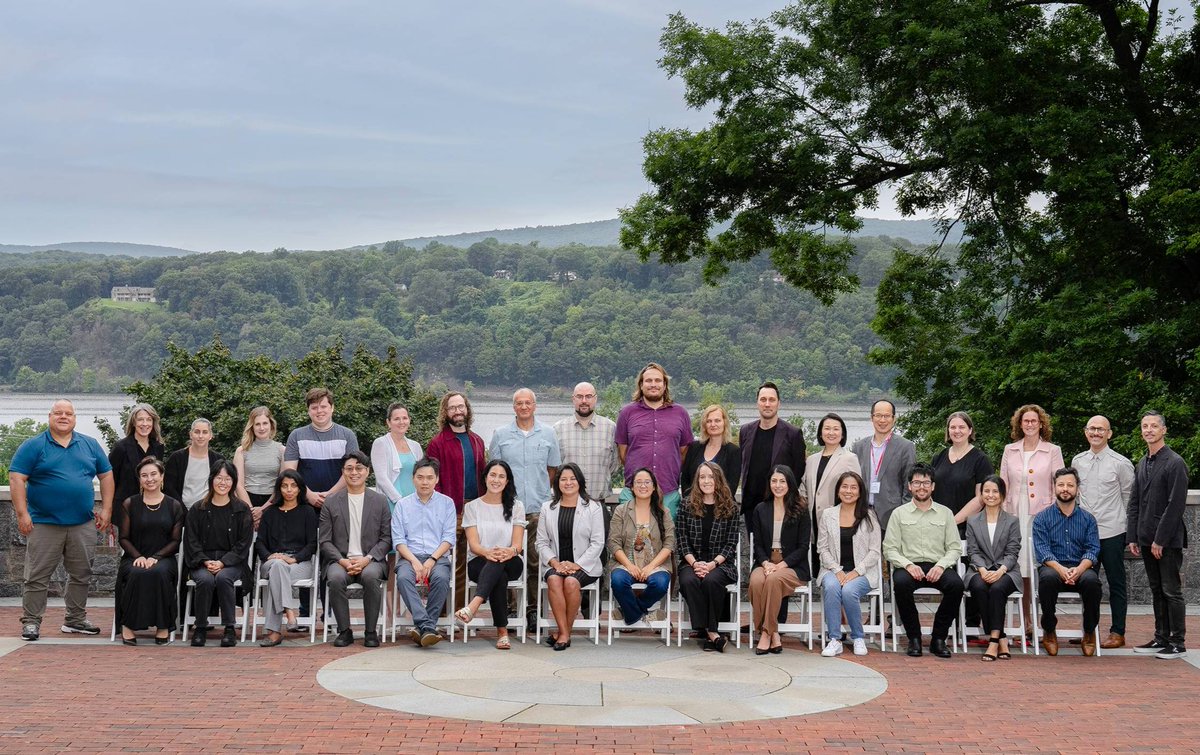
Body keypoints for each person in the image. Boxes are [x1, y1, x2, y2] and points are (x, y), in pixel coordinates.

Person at [11, 399, 114, 642]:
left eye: (69, 413)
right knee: (37, 575)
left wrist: (107, 509)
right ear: (50, 416)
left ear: (75, 418)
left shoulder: (89, 444)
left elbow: (107, 474)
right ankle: (31, 622)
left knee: (81, 573)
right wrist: (22, 514)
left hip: (82, 523)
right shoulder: (34, 446)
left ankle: (75, 620)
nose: (64, 417)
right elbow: (16, 478)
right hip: (44, 523)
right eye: (59, 413)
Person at [488, 388, 561, 631]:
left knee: (535, 563)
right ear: (514, 407)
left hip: (538, 510)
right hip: (507, 510)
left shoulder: (549, 434)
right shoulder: (500, 435)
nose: (523, 407)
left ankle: (533, 611)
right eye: (519, 403)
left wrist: (541, 492)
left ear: (535, 406)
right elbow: (495, 471)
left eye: (528, 402)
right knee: (505, 559)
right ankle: (507, 610)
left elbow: (552, 471)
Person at [882, 463, 963, 658]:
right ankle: (914, 638)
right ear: (909, 486)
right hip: (909, 566)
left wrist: (941, 565)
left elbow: (954, 547)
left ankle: (938, 638)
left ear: (933, 486)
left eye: (926, 482)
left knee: (957, 585)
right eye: (916, 482)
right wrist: (908, 565)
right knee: (900, 583)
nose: (921, 487)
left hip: (938, 565)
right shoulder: (898, 514)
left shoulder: (946, 513)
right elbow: (889, 548)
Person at [1127, 411, 1189, 660]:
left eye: (1154, 426)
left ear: (1164, 430)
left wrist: (1160, 540)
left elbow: (1175, 505)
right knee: (1156, 589)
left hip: (1167, 540)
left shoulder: (1175, 463)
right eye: (1145, 426)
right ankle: (1161, 637)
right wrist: (1133, 536)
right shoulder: (1143, 463)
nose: (1149, 430)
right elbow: (1135, 502)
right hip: (1145, 538)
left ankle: (1177, 642)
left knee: (1171, 590)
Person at [998, 403, 1064, 630]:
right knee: (1021, 569)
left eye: (1034, 420)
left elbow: (1060, 484)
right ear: (1019, 424)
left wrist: (1056, 515)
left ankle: (1046, 620)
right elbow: (1003, 484)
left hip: (1042, 517)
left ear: (1041, 423)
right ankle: (1026, 622)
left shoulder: (1052, 450)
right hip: (1016, 515)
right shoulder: (1010, 449)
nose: (1029, 424)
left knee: (1041, 569)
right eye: (1025, 420)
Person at [1072, 415, 1134, 650]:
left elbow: (1129, 497)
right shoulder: (1078, 461)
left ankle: (1118, 632)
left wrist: (1128, 529)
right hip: (1086, 534)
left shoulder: (1120, 463)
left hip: (1112, 530)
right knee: (1088, 583)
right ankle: (1090, 631)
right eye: (1092, 429)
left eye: (1101, 429)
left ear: (1109, 433)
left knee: (1116, 583)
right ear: (1085, 432)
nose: (1096, 433)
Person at [929, 410, 994, 635]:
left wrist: (955, 519)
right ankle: (949, 622)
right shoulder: (939, 457)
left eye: (961, 427)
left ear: (970, 431)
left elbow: (981, 496)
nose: (957, 431)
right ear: (948, 431)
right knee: (947, 574)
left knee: (968, 572)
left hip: (968, 526)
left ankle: (970, 624)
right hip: (939, 526)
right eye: (953, 427)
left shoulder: (980, 459)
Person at [320, 451, 391, 648]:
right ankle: (345, 631)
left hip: (371, 561)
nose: (354, 472)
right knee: (334, 579)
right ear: (343, 472)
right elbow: (324, 541)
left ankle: (370, 632)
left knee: (370, 577)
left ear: (367, 471)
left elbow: (386, 539)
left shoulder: (380, 501)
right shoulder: (331, 501)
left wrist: (367, 559)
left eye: (359, 468)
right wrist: (342, 561)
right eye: (349, 468)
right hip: (340, 561)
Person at [424, 391, 486, 612]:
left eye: (461, 406)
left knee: (467, 563)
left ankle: (460, 611)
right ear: (445, 412)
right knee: (446, 563)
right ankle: (439, 613)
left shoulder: (477, 441)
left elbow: (483, 477)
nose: (458, 411)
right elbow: (432, 481)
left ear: (467, 409)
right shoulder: (437, 443)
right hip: (450, 511)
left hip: (475, 510)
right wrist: (441, 510)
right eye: (453, 407)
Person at [456, 460, 526, 650]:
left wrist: (508, 551)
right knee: (498, 575)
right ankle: (502, 633)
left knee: (500, 565)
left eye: (501, 476)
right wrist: (489, 553)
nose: (496, 480)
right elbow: (474, 545)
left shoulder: (516, 506)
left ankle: (473, 606)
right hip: (479, 561)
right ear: (485, 478)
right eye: (492, 475)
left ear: (507, 481)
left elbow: (517, 545)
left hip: (511, 560)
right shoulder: (472, 507)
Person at [1032, 467, 1101, 656]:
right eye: (1061, 484)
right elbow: (1042, 551)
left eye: (1070, 485)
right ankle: (1049, 630)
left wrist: (1078, 569)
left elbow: (1093, 550)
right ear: (1054, 487)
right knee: (1047, 579)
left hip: (1081, 566)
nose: (1065, 488)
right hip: (1053, 566)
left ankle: (1089, 632)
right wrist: (1061, 569)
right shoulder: (1042, 518)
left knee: (1092, 582)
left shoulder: (1088, 519)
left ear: (1077, 488)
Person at [535, 463, 605, 650]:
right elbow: (541, 542)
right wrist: (555, 563)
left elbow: (598, 543)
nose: (568, 483)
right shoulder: (547, 508)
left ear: (580, 482)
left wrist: (577, 565)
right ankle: (564, 633)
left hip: (585, 565)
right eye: (563, 479)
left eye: (572, 478)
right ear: (557, 483)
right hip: (556, 562)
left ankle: (563, 633)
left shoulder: (593, 508)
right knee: (554, 580)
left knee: (571, 582)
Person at [116, 456, 184, 645]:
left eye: (154, 474)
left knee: (160, 573)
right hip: (134, 556)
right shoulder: (130, 503)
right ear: (139, 479)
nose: (149, 479)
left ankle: (163, 626)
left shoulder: (174, 506)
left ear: (162, 476)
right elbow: (123, 538)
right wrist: (138, 557)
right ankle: (128, 625)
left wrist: (155, 557)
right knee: (137, 572)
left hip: (164, 557)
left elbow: (176, 540)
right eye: (144, 475)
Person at [184, 461, 253, 647]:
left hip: (232, 562)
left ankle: (229, 628)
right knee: (205, 580)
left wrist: (223, 562)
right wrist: (206, 562)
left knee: (223, 579)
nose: (223, 483)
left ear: (233, 481)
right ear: (211, 479)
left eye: (228, 479)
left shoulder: (241, 509)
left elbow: (243, 544)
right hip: (201, 560)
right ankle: (200, 627)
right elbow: (191, 541)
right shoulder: (197, 509)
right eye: (219, 478)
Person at [391, 458, 457, 647]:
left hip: (437, 557)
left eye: (429, 477)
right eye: (420, 477)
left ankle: (424, 626)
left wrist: (431, 560)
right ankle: (427, 626)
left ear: (437, 479)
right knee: (403, 578)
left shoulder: (447, 503)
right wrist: (414, 561)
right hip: (409, 557)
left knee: (441, 578)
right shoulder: (402, 505)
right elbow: (399, 541)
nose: (425, 482)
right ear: (413, 479)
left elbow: (449, 538)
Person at [676, 461, 741, 652]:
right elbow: (682, 540)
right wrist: (696, 564)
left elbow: (731, 544)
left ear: (718, 479)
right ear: (697, 480)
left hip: (721, 564)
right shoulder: (686, 505)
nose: (706, 481)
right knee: (688, 581)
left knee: (711, 581)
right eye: (702, 477)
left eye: (711, 476)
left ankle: (708, 631)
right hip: (691, 562)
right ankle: (712, 633)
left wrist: (712, 564)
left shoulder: (731, 507)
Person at [615, 362, 694, 517]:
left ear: (665, 385)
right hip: (634, 492)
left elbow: (683, 452)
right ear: (641, 385)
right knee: (633, 540)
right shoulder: (627, 413)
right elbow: (624, 453)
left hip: (668, 493)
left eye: (658, 381)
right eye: (648, 381)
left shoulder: (680, 413)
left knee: (666, 539)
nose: (653, 384)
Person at [748, 465, 811, 654]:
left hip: (792, 565)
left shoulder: (800, 508)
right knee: (757, 581)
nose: (778, 485)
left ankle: (765, 632)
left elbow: (803, 547)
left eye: (782, 481)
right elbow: (758, 544)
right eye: (774, 481)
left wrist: (781, 565)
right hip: (766, 561)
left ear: (790, 483)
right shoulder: (761, 509)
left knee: (774, 580)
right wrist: (766, 563)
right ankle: (774, 632)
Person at [817, 471, 881, 657]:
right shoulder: (828, 515)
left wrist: (856, 571)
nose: (848, 491)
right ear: (838, 491)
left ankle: (858, 637)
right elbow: (822, 548)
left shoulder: (869, 516)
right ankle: (835, 639)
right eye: (844, 486)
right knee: (831, 586)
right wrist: (837, 570)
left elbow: (875, 551)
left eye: (854, 487)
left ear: (860, 492)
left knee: (848, 590)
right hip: (832, 569)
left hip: (863, 572)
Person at [255, 470, 318, 647]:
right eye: (284, 486)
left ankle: (274, 632)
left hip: (300, 563)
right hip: (271, 561)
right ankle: (289, 611)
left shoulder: (307, 512)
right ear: (279, 488)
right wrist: (269, 556)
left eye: (293, 485)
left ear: (300, 489)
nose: (289, 490)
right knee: (277, 566)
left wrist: (295, 558)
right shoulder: (269, 513)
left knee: (278, 570)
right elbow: (260, 543)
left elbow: (312, 544)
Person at [607, 468, 675, 628]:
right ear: (631, 487)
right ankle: (645, 615)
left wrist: (651, 566)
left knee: (660, 584)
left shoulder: (663, 512)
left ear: (653, 487)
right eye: (638, 482)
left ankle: (628, 612)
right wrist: (630, 566)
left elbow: (669, 544)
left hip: (656, 565)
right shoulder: (621, 511)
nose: (642, 486)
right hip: (626, 563)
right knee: (618, 581)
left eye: (647, 482)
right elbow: (613, 542)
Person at [964, 475, 1021, 661]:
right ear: (981, 494)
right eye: (986, 491)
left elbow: (1013, 552)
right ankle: (1000, 637)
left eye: (995, 491)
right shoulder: (973, 521)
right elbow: (972, 551)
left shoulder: (1012, 521)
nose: (990, 495)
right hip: (978, 570)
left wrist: (1000, 571)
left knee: (997, 589)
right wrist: (982, 570)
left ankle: (993, 640)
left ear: (1002, 495)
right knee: (979, 586)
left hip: (1006, 571)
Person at [739, 382, 807, 533]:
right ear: (757, 403)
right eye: (763, 400)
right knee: (755, 553)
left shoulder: (793, 434)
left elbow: (798, 471)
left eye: (772, 400)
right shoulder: (745, 431)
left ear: (779, 403)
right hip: (752, 506)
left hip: (780, 506)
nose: (767, 404)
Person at [802, 412, 860, 574]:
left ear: (842, 434)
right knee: (819, 569)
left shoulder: (850, 458)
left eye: (836, 429)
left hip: (840, 522)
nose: (831, 432)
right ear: (821, 433)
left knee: (838, 568)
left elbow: (857, 490)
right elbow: (804, 488)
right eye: (827, 428)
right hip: (814, 521)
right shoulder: (812, 459)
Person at [282, 388, 359, 507]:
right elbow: (290, 472)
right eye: (314, 408)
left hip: (339, 503)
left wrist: (331, 494)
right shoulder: (296, 436)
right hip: (304, 504)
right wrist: (309, 495)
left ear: (332, 407)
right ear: (308, 410)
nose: (319, 411)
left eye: (323, 406)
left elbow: (352, 471)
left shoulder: (347, 435)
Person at [851, 399, 915, 530]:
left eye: (886, 416)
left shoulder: (906, 447)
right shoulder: (859, 447)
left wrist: (903, 515)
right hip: (862, 515)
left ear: (894, 419)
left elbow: (909, 484)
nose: (882, 420)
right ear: (872, 418)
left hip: (892, 516)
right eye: (878, 415)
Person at [553, 381, 619, 501]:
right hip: (566, 503)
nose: (584, 401)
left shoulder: (610, 428)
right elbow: (555, 467)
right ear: (573, 399)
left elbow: (614, 464)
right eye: (579, 396)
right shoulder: (558, 429)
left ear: (595, 399)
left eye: (588, 396)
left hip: (599, 502)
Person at [107, 403, 165, 529]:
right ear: (133, 423)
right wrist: (108, 508)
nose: (145, 424)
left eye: (149, 419)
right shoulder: (121, 447)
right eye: (140, 419)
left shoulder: (158, 447)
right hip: (124, 508)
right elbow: (109, 480)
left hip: (151, 508)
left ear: (153, 423)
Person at [370, 403, 425, 508]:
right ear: (388, 422)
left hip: (415, 502)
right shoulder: (380, 443)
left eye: (405, 418)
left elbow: (422, 474)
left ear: (409, 420)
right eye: (396, 419)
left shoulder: (416, 446)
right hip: (391, 502)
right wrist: (399, 501)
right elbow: (381, 478)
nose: (401, 422)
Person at [680, 404, 740, 501]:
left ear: (724, 423)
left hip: (721, 508)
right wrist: (691, 503)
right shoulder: (694, 447)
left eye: (717, 420)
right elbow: (685, 479)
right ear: (704, 425)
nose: (713, 424)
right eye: (709, 421)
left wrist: (711, 505)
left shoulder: (733, 451)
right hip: (693, 507)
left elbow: (731, 486)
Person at [233, 406, 285, 512]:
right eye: (257, 424)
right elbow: (238, 484)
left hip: (273, 503)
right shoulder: (241, 451)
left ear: (271, 424)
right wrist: (250, 510)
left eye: (265, 423)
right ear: (252, 426)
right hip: (246, 503)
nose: (262, 428)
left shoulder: (282, 450)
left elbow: (282, 484)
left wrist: (263, 509)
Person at [164, 418, 224, 508]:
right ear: (190, 434)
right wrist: (182, 510)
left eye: (205, 432)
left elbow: (222, 486)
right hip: (181, 511)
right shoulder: (177, 458)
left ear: (210, 435)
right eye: (197, 432)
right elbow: (169, 488)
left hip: (209, 512)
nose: (200, 436)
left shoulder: (218, 460)